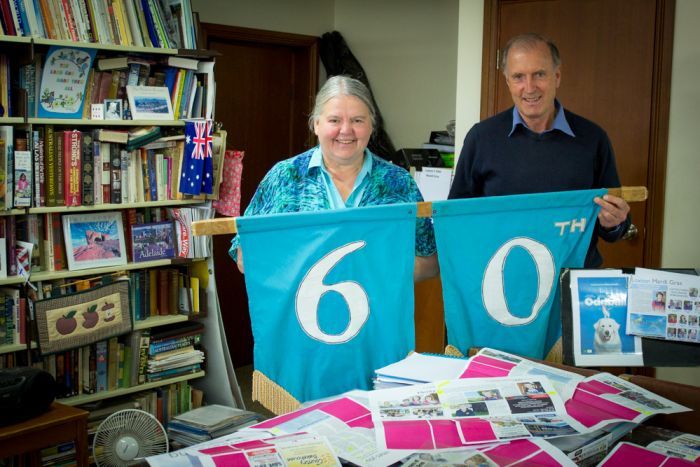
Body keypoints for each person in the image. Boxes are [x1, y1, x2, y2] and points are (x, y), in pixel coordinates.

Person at [230, 75, 438, 281]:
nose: (346, 130)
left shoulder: (398, 183)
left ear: (372, 126)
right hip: (301, 311)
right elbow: (245, 256)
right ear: (316, 124)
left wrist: (377, 270)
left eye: (357, 120)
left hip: (379, 312)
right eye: (334, 120)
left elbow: (430, 261)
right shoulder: (286, 177)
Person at [448, 33, 630, 268]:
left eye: (539, 74)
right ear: (507, 81)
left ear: (557, 76)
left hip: (573, 284)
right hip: (504, 284)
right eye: (518, 77)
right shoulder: (481, 138)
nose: (529, 87)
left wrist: (614, 222)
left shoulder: (593, 139)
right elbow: (457, 218)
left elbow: (615, 227)